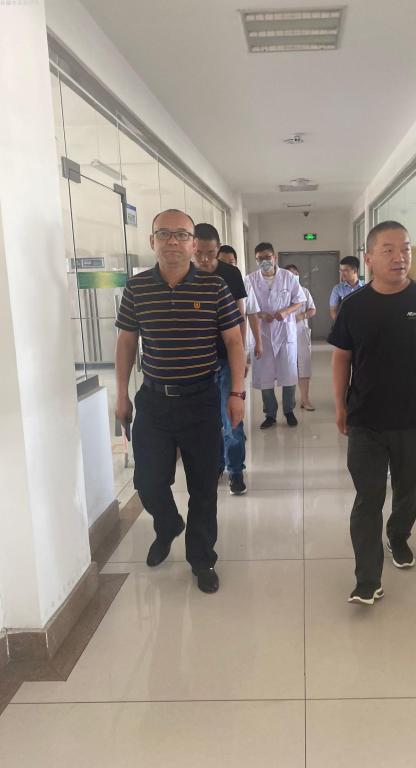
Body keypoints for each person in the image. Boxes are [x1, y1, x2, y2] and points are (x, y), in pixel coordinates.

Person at [328, 220, 416, 606]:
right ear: (369, 258)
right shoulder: (354, 306)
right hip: (365, 418)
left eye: (405, 248)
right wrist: (340, 404)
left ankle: (398, 536)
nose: (399, 257)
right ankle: (367, 579)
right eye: (388, 249)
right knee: (368, 497)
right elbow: (341, 358)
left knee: (406, 489)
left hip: (413, 418)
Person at [115, 209, 245, 594]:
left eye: (181, 235)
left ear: (193, 244)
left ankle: (202, 558)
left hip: (201, 399)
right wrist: (121, 394)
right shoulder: (137, 288)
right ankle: (168, 524)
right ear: (152, 241)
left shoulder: (214, 288)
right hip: (154, 400)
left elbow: (234, 341)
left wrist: (236, 392)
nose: (173, 241)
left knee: (204, 486)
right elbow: (127, 342)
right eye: (164, 234)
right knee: (147, 481)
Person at [193, 224, 261, 496]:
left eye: (210, 253)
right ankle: (216, 465)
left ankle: (235, 470)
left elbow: (240, 317)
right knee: (208, 422)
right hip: (198, 363)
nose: (204, 259)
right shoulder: (185, 275)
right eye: (199, 253)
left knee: (232, 417)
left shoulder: (230, 274)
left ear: (218, 249)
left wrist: (241, 357)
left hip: (225, 358)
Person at [245, 242, 306, 429]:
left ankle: (289, 411)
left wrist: (286, 312)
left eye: (267, 257)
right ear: (256, 260)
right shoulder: (250, 280)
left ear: (275, 257)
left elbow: (300, 300)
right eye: (260, 258)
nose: (264, 261)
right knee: (265, 376)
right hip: (262, 333)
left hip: (285, 332)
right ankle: (270, 414)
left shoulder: (288, 277)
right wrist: (261, 314)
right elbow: (247, 307)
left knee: (289, 374)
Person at [285, 264, 317, 410]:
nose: (292, 276)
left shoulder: (304, 291)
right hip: (284, 334)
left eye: (295, 274)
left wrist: (302, 315)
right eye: (289, 274)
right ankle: (288, 401)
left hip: (301, 332)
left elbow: (312, 310)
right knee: (287, 367)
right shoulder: (280, 293)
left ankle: (305, 399)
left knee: (304, 365)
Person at [329, 255, 364, 320]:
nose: (342, 274)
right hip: (343, 323)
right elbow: (333, 310)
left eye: (345, 270)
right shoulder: (337, 289)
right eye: (341, 271)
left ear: (355, 270)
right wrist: (340, 323)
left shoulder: (365, 288)